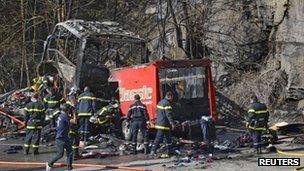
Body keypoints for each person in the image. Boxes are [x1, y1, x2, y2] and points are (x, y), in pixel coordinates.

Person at [46, 104, 73, 171]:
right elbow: (74, 121)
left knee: (70, 152)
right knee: (60, 154)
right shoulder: (65, 116)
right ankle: (49, 163)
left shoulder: (61, 115)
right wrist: (74, 113)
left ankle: (69, 168)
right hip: (60, 138)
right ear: (67, 110)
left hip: (65, 137)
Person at [150, 91, 175, 156]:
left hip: (160, 123)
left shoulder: (160, 102)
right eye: (172, 97)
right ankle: (152, 151)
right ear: (170, 96)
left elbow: (157, 112)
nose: (172, 99)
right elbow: (168, 114)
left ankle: (170, 151)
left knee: (168, 138)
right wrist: (172, 123)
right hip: (164, 124)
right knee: (159, 138)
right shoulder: (167, 104)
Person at [66, 89, 80, 158]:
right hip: (70, 126)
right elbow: (67, 118)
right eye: (74, 99)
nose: (75, 100)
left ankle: (76, 154)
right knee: (70, 140)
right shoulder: (68, 107)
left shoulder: (75, 107)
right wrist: (73, 120)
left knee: (76, 140)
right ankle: (69, 154)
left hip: (76, 126)